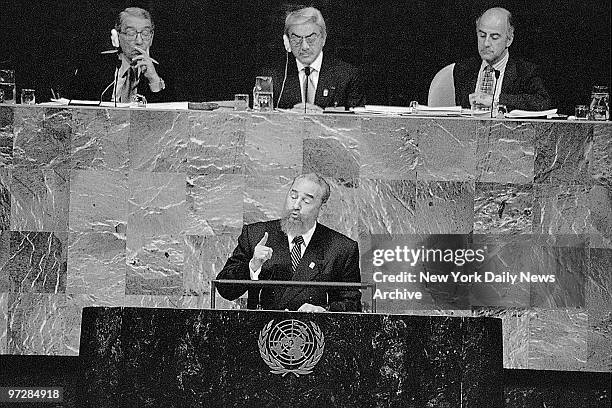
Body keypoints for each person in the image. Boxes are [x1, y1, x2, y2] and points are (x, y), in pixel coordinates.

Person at [216, 173, 362, 312]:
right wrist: (252, 266)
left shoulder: (341, 248)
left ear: (321, 209)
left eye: (306, 201)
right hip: (262, 332)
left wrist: (325, 310)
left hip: (312, 334)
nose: (296, 205)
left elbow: (352, 304)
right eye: (293, 196)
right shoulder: (255, 234)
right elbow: (225, 289)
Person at [265, 7, 365, 112]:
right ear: (287, 41)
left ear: (323, 38)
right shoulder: (272, 77)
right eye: (297, 38)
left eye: (311, 38)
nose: (304, 46)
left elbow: (358, 122)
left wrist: (321, 117)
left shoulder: (346, 76)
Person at [453, 7, 551, 111]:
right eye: (482, 36)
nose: (486, 43)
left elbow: (542, 102)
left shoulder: (525, 71)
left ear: (509, 40)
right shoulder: (463, 69)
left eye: (494, 37)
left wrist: (497, 100)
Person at [71, 7, 170, 102]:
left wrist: (153, 79)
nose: (139, 41)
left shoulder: (164, 72)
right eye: (131, 33)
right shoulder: (93, 67)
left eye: (145, 33)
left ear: (151, 37)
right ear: (118, 36)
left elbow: (171, 116)